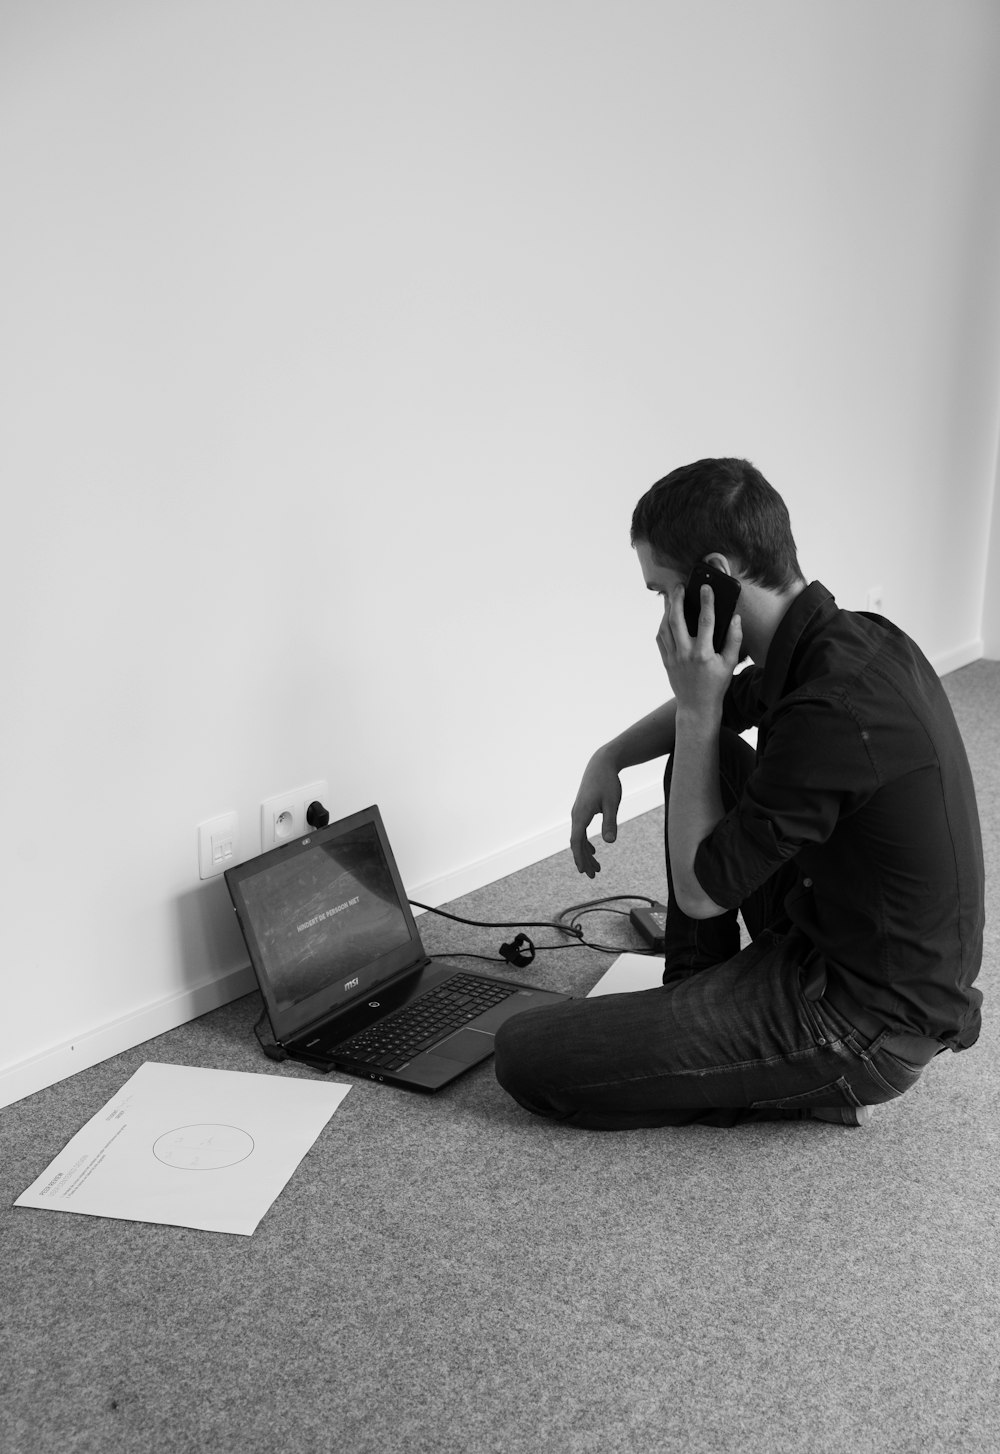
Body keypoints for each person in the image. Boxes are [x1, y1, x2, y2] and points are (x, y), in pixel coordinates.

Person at [493, 457, 984, 1128]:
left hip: (862, 1025)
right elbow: (722, 714)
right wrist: (609, 755)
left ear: (714, 579)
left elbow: (701, 891)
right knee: (710, 753)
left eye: (662, 590)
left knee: (526, 1055)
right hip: (836, 927)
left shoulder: (833, 707)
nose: (663, 615)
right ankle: (697, 996)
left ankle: (758, 1068)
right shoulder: (837, 641)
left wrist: (695, 707)